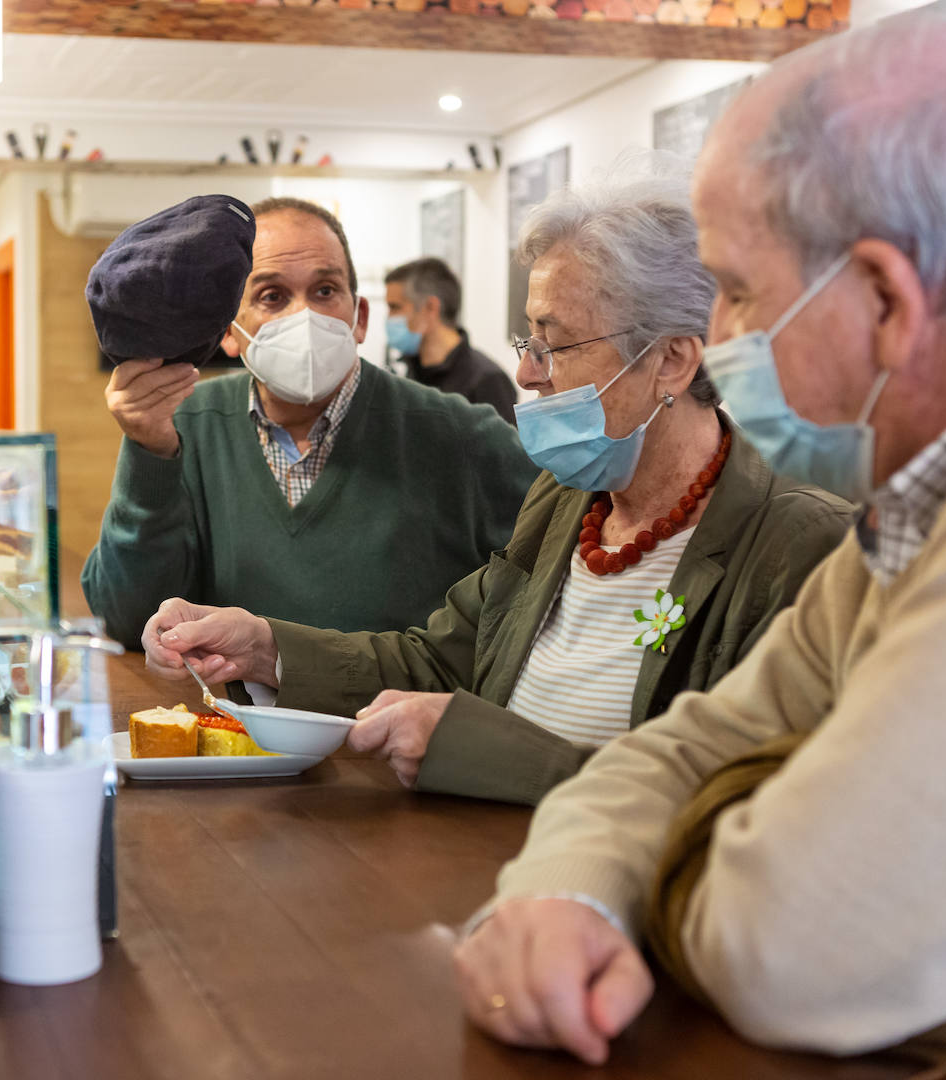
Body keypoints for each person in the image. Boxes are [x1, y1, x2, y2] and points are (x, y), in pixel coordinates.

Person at [450, 17, 946, 1076]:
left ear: (886, 300)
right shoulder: (924, 508)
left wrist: (655, 873)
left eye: (738, 292)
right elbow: (686, 747)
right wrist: (567, 887)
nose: (720, 345)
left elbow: (788, 942)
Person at [142, 164, 851, 806]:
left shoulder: (799, 545)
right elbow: (439, 656)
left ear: (670, 359)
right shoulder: (568, 499)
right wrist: (266, 646)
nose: (527, 373)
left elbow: (752, 802)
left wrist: (487, 754)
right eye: (527, 340)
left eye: (555, 343)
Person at [82, 197, 537, 649]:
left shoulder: (461, 436)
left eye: (324, 291)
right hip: (231, 719)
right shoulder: (187, 424)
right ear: (228, 332)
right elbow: (129, 620)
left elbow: (560, 573)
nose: (304, 317)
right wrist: (151, 452)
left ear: (359, 318)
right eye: (271, 296)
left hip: (394, 719)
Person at [385, 257, 518, 423]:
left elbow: (503, 448)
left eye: (395, 307)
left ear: (430, 307)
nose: (389, 318)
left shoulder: (487, 381)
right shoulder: (414, 373)